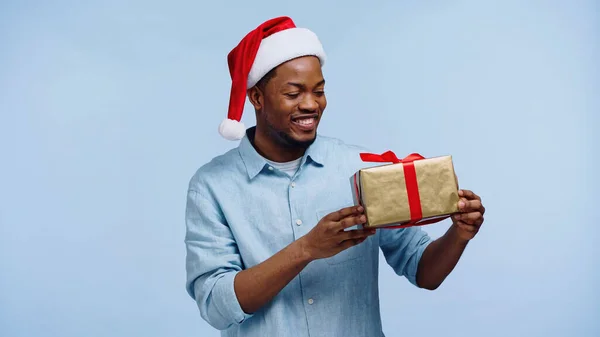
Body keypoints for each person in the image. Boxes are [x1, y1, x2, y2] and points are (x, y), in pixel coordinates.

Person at [184, 16, 486, 337]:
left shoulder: (363, 168)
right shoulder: (211, 187)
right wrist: (307, 249)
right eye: (293, 93)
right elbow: (216, 305)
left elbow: (423, 271)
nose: (311, 104)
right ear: (257, 98)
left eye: (319, 91)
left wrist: (459, 234)